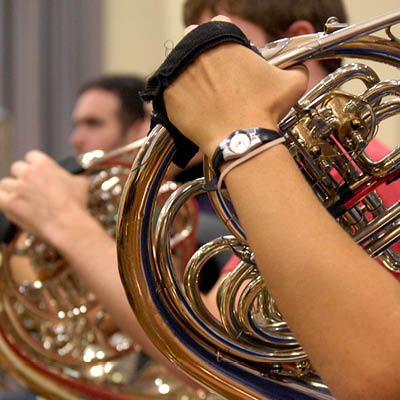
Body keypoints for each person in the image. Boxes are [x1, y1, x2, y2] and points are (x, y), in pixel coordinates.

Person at [160, 14, 400, 400]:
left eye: (219, 53)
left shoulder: (370, 171)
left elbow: (385, 381)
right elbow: (216, 344)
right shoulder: (284, 182)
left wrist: (241, 133)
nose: (200, 79)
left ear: (299, 41)